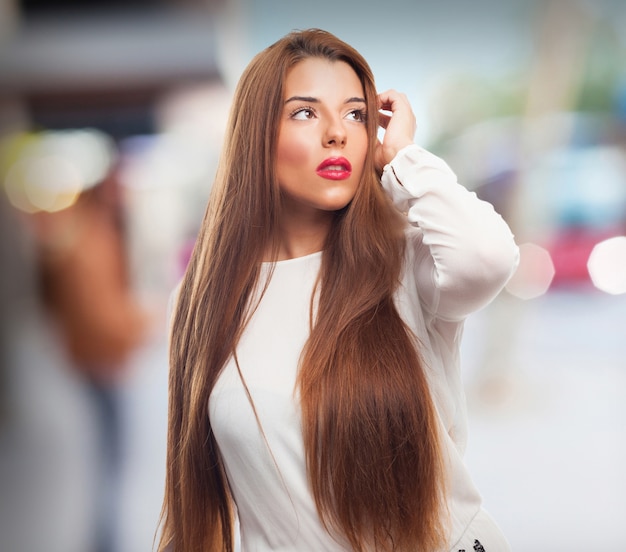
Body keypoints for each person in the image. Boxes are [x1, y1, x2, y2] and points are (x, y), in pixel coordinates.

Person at [158, 28, 519, 552]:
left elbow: (489, 258)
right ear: (256, 135)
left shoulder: (405, 260)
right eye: (305, 112)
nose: (337, 134)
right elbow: (199, 505)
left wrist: (403, 157)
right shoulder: (200, 302)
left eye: (355, 114)